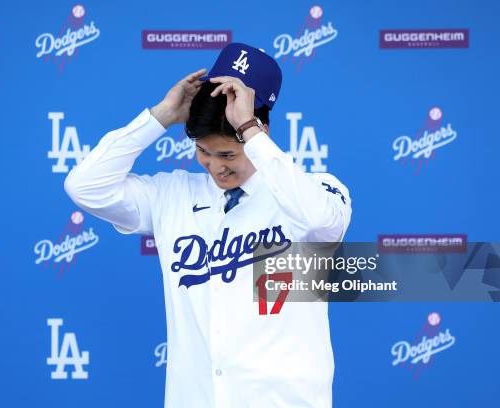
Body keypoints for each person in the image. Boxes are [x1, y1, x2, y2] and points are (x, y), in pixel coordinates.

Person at [64, 42, 352, 408]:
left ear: (259, 131)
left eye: (228, 154)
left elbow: (321, 224)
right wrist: (161, 115)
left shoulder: (316, 191)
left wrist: (249, 129)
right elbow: (84, 186)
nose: (216, 166)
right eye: (203, 151)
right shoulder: (172, 195)